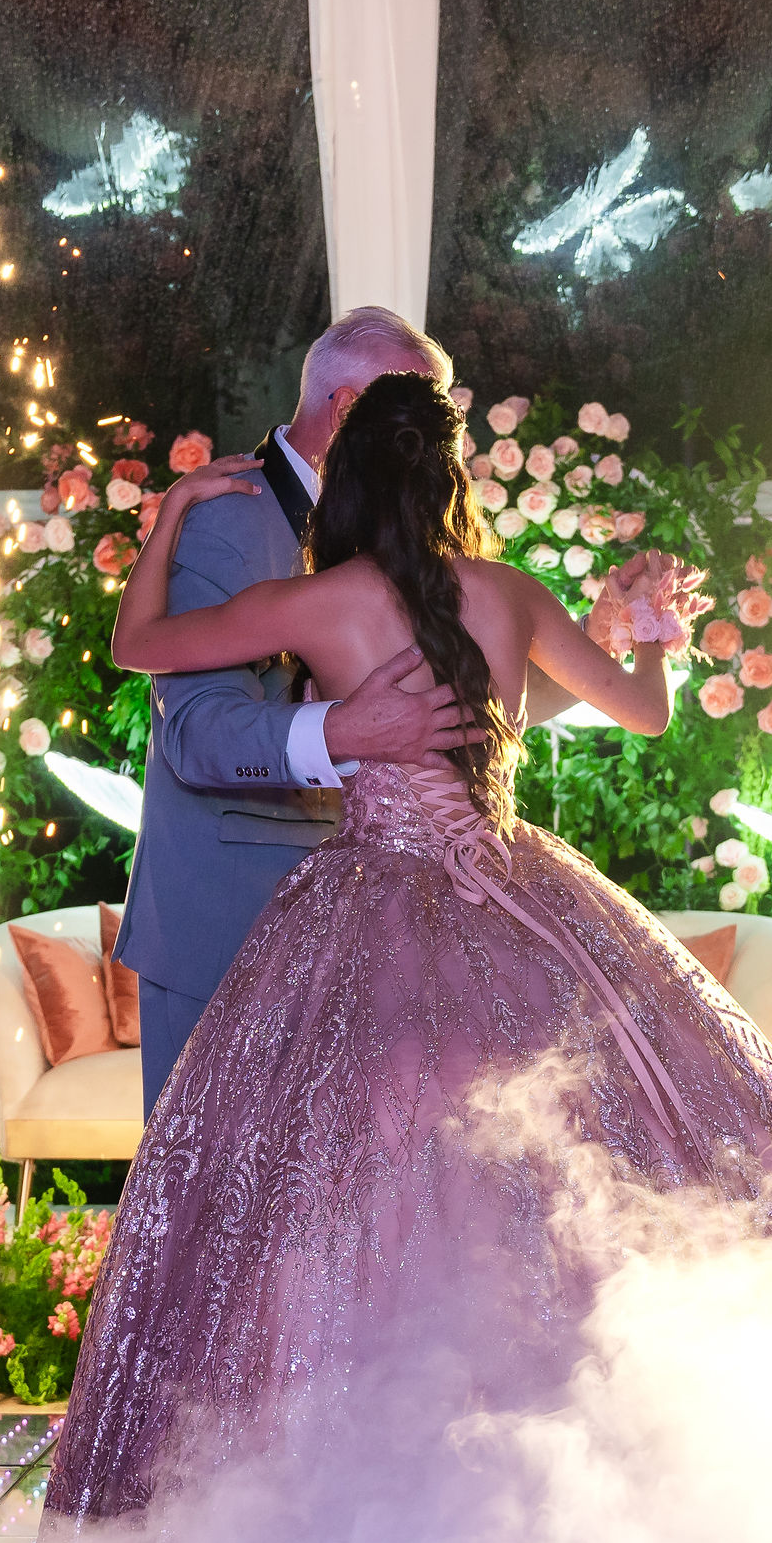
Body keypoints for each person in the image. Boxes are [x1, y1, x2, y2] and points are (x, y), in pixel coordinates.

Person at [45, 372, 772, 1523]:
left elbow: (138, 642)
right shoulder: (510, 594)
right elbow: (644, 713)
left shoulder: (322, 600)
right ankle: (576, 1476)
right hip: (524, 909)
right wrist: (653, 632)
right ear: (453, 478)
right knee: (558, 1169)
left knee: (345, 1186)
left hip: (358, 910)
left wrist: (173, 514)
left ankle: (355, 1480)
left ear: (347, 484)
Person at [117, 307, 496, 1106]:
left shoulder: (401, 541)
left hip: (364, 930)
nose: (437, 445)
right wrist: (341, 730)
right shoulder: (231, 518)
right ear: (350, 409)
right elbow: (194, 731)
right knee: (214, 1215)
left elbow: (446, 717)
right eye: (416, 415)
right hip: (228, 918)